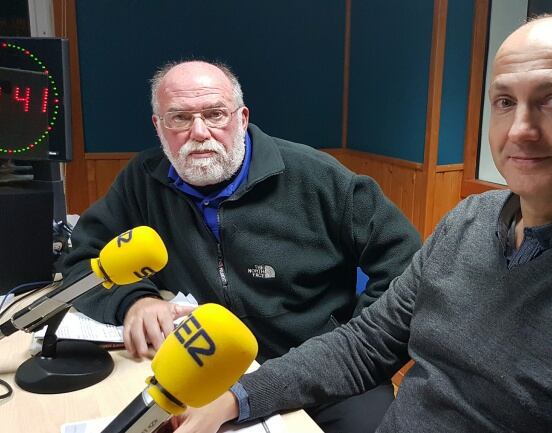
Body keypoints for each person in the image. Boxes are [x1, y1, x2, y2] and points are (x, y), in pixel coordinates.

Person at [171, 13, 552, 433]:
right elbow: (365, 345)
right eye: (504, 101)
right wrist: (236, 399)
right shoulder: (470, 220)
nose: (521, 129)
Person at [61, 60, 421, 433]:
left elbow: (409, 269)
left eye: (215, 114)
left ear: (242, 117)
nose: (199, 132)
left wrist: (351, 347)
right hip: (203, 369)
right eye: (179, 118)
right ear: (159, 127)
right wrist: (134, 300)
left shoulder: (319, 178)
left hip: (322, 371)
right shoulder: (142, 181)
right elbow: (83, 262)